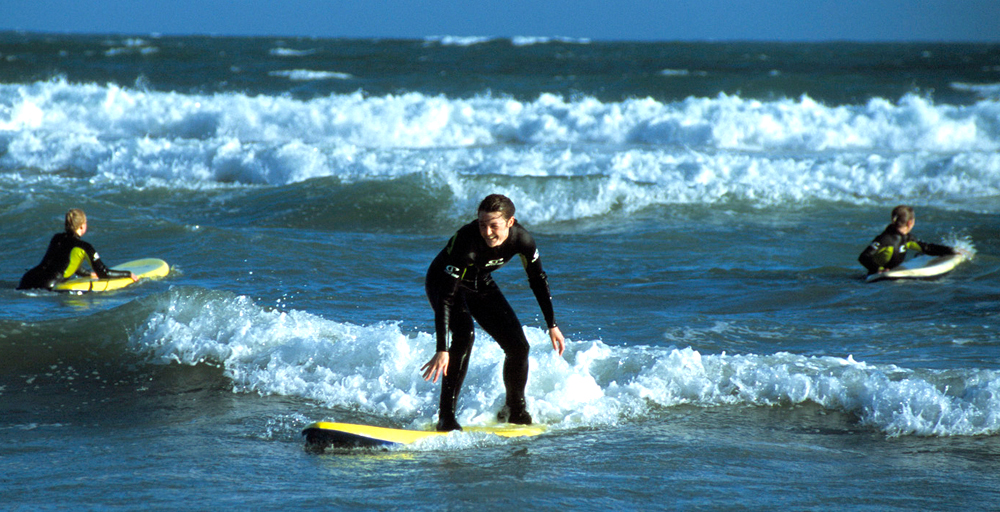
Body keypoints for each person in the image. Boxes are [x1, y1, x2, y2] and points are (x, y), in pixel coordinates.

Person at [421, 194, 565, 431]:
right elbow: (446, 297)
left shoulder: (522, 240)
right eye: (482, 224)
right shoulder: (466, 242)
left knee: (519, 348)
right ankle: (446, 417)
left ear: (510, 222)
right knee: (464, 335)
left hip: (480, 282)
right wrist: (442, 349)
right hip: (443, 283)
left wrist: (552, 324)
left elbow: (538, 279)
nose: (487, 232)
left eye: (493, 225)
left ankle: (515, 409)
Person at [18, 208, 138, 290]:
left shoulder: (57, 238)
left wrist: (88, 274)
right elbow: (104, 273)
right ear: (82, 226)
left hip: (27, 279)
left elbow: (66, 263)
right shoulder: (84, 247)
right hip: (47, 286)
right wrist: (128, 274)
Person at [858, 205, 957, 275]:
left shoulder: (907, 238)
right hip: (876, 280)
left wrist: (951, 250)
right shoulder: (885, 238)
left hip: (892, 278)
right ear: (910, 222)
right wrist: (879, 269)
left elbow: (927, 248)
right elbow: (863, 257)